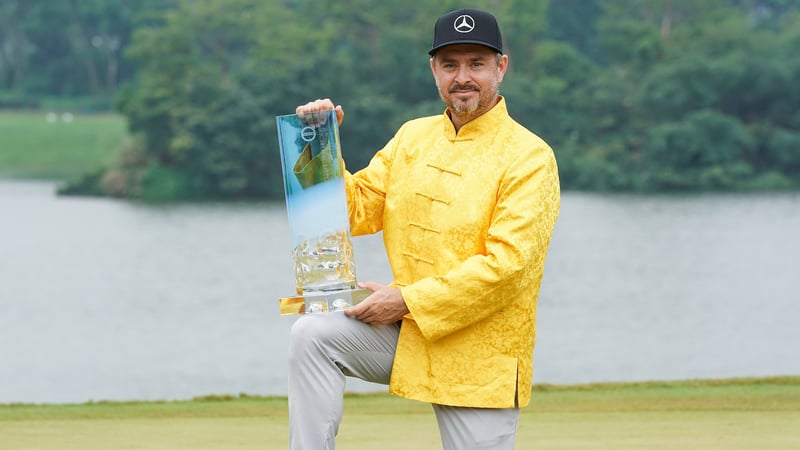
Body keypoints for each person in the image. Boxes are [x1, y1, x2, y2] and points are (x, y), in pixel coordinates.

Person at [288, 7, 560, 450]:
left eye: (476, 63)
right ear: (434, 69)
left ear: (501, 67)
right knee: (313, 334)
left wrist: (405, 300)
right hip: (408, 333)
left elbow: (507, 268)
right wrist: (321, 142)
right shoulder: (411, 137)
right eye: (450, 64)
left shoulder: (530, 157)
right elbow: (356, 212)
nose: (463, 77)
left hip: (480, 358)